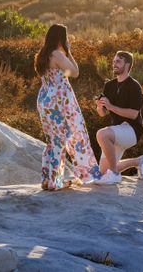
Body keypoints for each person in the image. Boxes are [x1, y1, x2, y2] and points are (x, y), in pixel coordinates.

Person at [34, 24, 102, 190]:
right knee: (66, 138)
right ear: (61, 38)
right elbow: (75, 72)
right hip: (59, 101)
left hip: (45, 99)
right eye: (66, 38)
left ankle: (48, 179)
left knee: (52, 140)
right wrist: (69, 52)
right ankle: (55, 181)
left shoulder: (41, 55)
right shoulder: (56, 54)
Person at [94, 51, 143, 185]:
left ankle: (114, 174)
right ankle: (140, 161)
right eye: (113, 61)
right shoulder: (109, 86)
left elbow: (133, 114)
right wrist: (99, 106)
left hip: (132, 130)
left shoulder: (134, 86)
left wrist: (111, 106)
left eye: (118, 62)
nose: (114, 64)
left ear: (127, 65)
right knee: (102, 172)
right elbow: (102, 113)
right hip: (117, 131)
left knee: (101, 134)